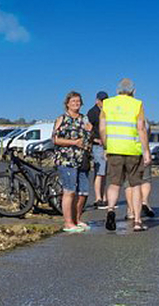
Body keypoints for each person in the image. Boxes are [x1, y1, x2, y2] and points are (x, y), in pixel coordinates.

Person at [100, 78, 151, 232]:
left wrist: (106, 146)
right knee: (135, 185)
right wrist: (146, 151)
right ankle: (137, 221)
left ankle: (110, 210)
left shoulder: (107, 104)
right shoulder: (137, 104)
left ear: (117, 91)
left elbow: (102, 128)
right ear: (133, 91)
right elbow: (141, 128)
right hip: (132, 150)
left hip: (114, 148)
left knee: (114, 183)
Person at [52, 91, 92, 232]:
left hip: (83, 159)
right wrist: (73, 142)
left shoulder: (84, 119)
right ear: (67, 103)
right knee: (69, 191)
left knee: (83, 192)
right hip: (66, 159)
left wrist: (90, 132)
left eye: (78, 101)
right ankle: (68, 223)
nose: (76, 103)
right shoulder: (62, 119)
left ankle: (77, 219)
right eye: (73, 101)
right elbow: (55, 139)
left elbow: (88, 138)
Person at [87, 91, 107, 207]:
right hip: (97, 145)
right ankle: (98, 198)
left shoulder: (107, 112)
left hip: (106, 145)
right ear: (97, 100)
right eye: (102, 100)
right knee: (99, 172)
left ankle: (104, 197)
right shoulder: (92, 112)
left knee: (104, 173)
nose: (104, 102)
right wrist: (95, 140)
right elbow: (88, 130)